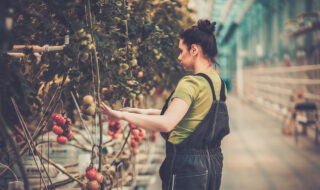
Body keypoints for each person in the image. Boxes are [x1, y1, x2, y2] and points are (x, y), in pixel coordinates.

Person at [101, 19, 230, 190]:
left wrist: (122, 115)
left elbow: (167, 123)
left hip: (187, 166)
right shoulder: (218, 83)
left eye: (181, 50)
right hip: (212, 164)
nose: (179, 56)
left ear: (194, 49)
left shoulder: (190, 83)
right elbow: (189, 115)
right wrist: (142, 112)